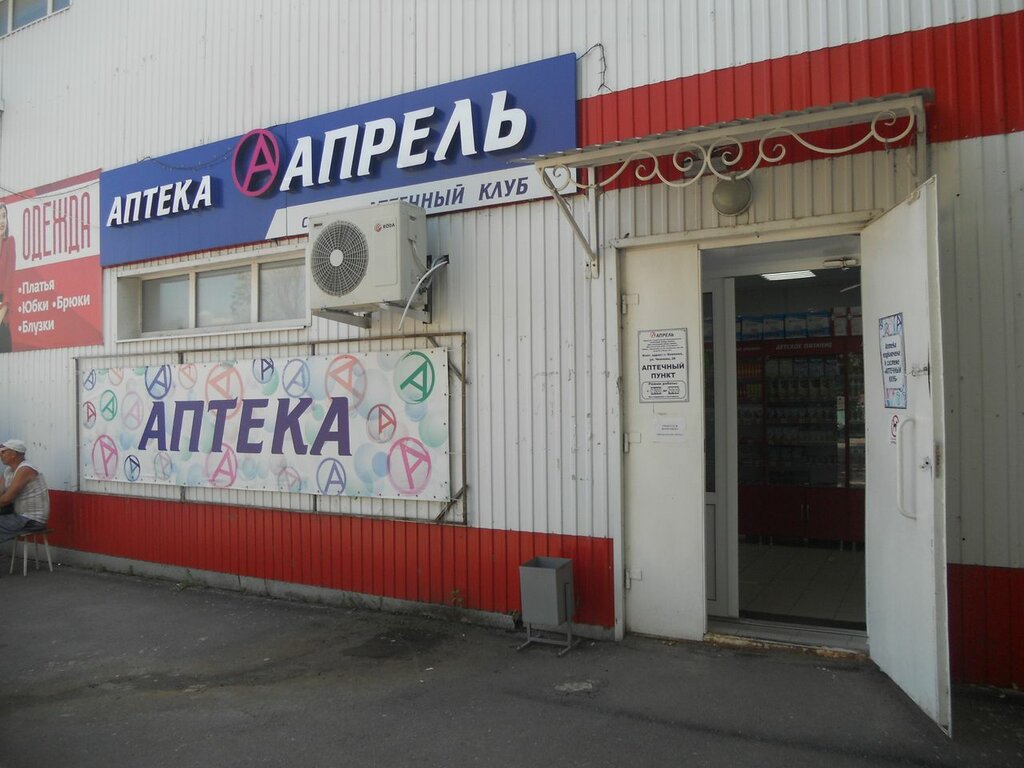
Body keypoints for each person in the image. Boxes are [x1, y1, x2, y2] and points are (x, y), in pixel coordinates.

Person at [0, 439, 49, 545]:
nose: (1, 455)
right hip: (19, 515)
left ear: (13, 454)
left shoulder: (25, 469)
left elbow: (6, 499)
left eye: (3, 452)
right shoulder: (8, 471)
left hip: (31, 520)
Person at [0, 203, 14, 352]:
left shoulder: (9, 243)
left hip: (3, 311)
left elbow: (9, 283)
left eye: (4, 216)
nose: (1, 221)